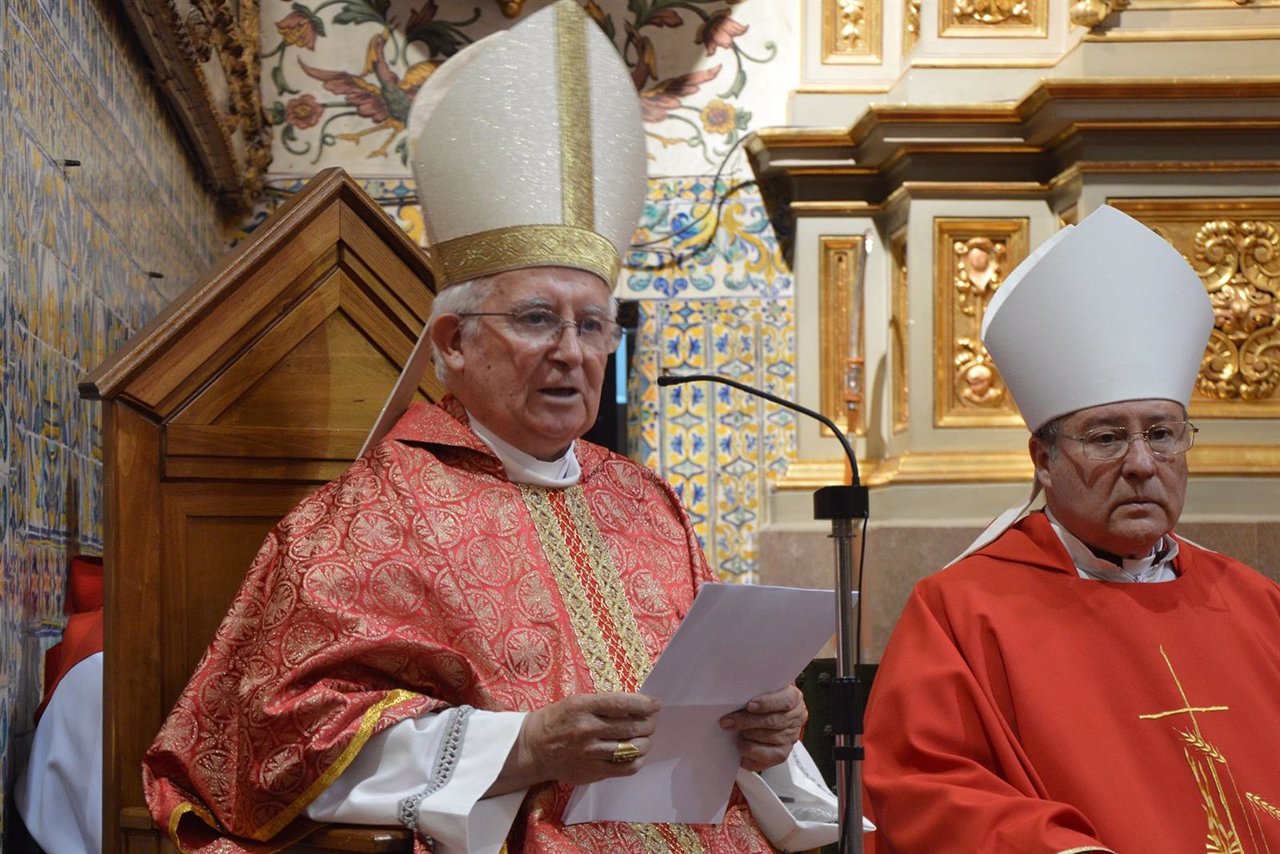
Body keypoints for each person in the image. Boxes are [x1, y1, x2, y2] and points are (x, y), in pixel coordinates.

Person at [143, 3, 838, 852]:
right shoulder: (365, 521)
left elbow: (712, 708)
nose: (572, 353)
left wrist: (768, 737)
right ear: (453, 344)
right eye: (539, 318)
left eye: (593, 327)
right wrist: (523, 746)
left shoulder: (647, 503)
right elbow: (285, 739)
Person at [863, 204, 1280, 853]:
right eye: (1108, 437)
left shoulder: (1255, 603)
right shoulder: (961, 611)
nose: (1142, 464)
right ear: (1043, 460)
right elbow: (921, 785)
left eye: (1163, 434)